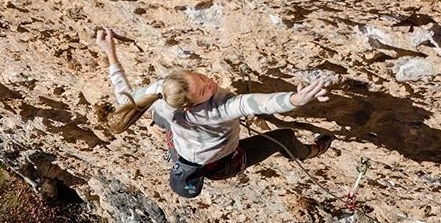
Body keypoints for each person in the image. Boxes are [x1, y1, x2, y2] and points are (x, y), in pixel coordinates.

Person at [96, 27, 333, 198]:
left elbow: (124, 97)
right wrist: (295, 99)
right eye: (203, 90)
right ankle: (310, 151)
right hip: (223, 162)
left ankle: (169, 126)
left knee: (161, 118)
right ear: (190, 104)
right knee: (284, 138)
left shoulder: (163, 92)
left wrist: (110, 52)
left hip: (182, 144)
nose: (209, 82)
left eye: (200, 78)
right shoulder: (218, 109)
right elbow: (255, 104)